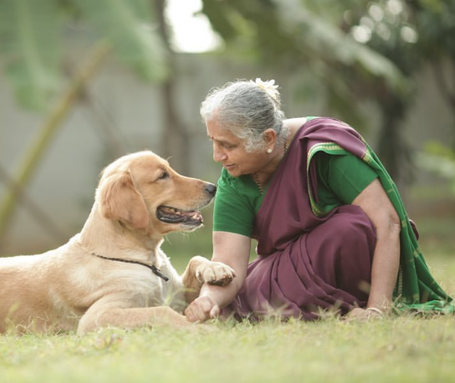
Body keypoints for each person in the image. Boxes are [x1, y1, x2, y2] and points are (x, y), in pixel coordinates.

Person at [185, 78, 453, 322]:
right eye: (213, 142)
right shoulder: (233, 178)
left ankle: (351, 304)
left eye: (227, 145)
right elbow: (228, 264)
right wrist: (209, 299)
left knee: (352, 227)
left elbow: (388, 224)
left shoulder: (321, 149)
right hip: (280, 274)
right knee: (252, 291)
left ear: (267, 139)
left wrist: (377, 310)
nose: (216, 156)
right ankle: (293, 305)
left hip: (351, 264)